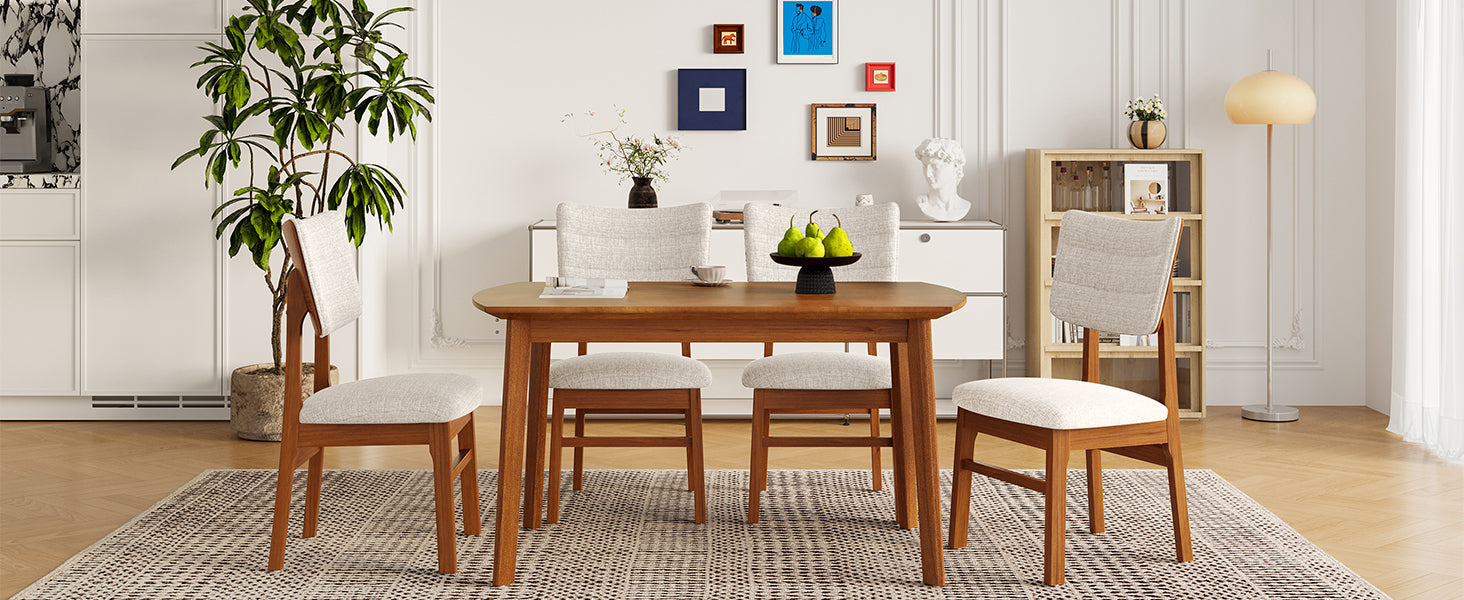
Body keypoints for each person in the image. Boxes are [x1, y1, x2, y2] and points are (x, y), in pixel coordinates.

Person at [913, 138, 971, 221]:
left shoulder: (963, 206)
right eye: (925, 167)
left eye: (935, 167)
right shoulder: (923, 204)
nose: (928, 174)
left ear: (955, 166)